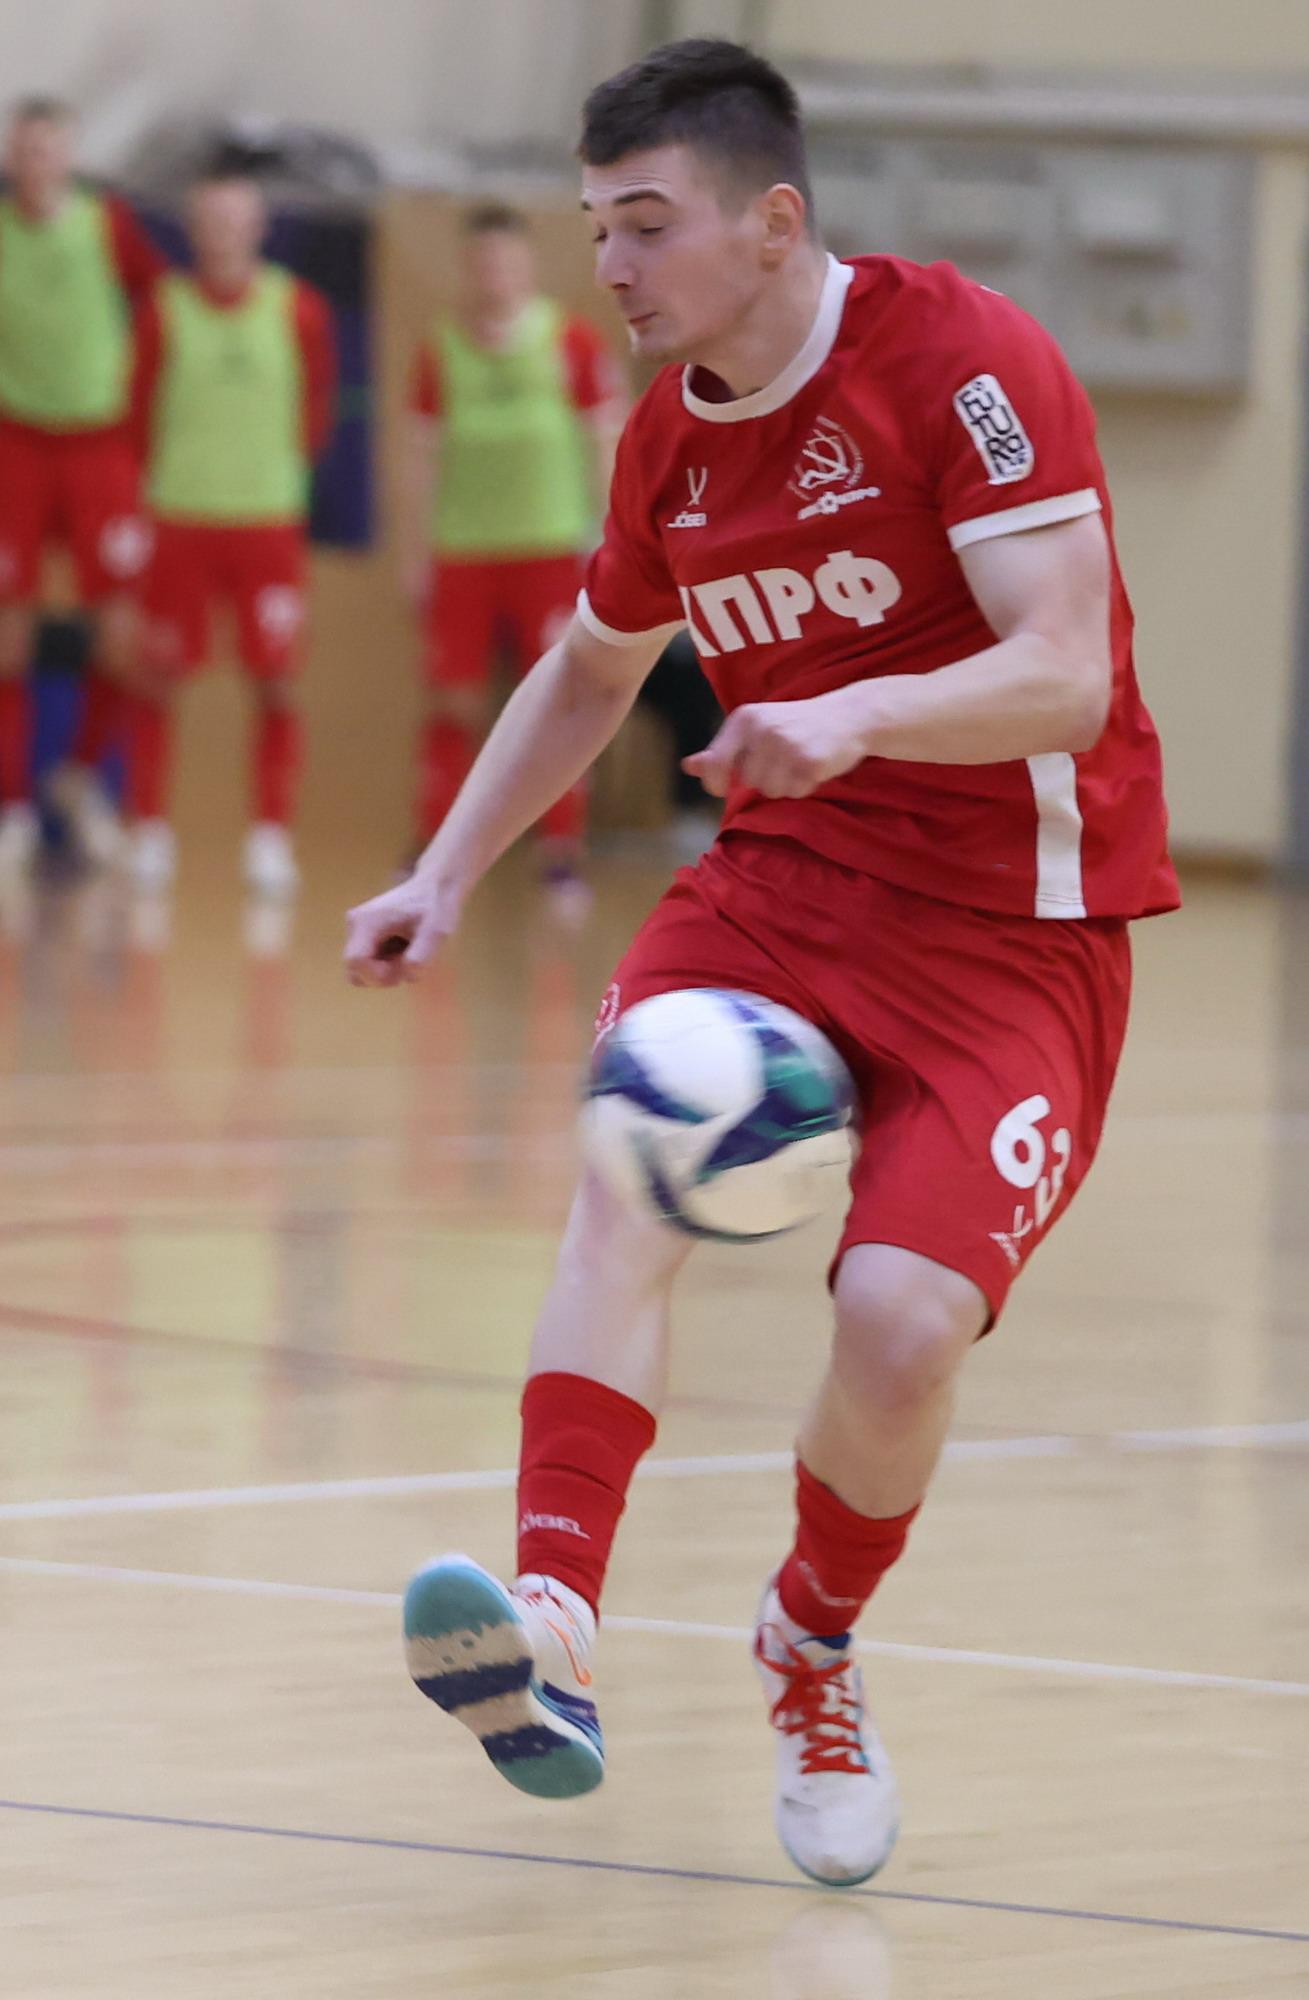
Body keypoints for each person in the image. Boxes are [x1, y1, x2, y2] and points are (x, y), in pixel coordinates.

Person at [345, 39, 1178, 1886]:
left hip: (1018, 933)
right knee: (627, 1167)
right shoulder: (670, 440)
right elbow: (590, 671)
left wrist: (857, 712)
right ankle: (552, 1624)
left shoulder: (962, 362)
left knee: (900, 1327)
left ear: (773, 222)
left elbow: (1066, 671)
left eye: (647, 225)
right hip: (784, 890)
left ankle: (809, 1643)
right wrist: (445, 870)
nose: (612, 266)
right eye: (595, 228)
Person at [401, 203, 625, 910]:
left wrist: (610, 541)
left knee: (557, 702)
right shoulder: (441, 349)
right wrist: (415, 554)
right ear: (468, 269)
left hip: (550, 548)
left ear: (526, 266)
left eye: (506, 260)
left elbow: (604, 441)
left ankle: (560, 850)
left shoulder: (570, 340)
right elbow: (418, 459)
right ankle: (436, 850)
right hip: (463, 550)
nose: (494, 274)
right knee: (454, 702)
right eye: (482, 262)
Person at [123, 167, 335, 895]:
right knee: (157, 676)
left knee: (276, 681)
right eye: (209, 220)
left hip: (265, 524)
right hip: (180, 519)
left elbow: (315, 410)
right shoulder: (164, 308)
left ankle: (270, 838)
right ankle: (149, 830)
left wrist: (274, 478)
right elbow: (136, 413)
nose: (222, 233)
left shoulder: (298, 308)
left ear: (257, 227)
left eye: (235, 219)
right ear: (192, 228)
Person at [0, 96, 164, 878]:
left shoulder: (106, 224)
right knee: (7, 636)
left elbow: (163, 306)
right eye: (24, 151)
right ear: (9, 160)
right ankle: (13, 813)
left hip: (101, 447)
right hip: (18, 448)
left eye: (49, 150)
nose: (37, 165)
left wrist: (147, 416)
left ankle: (81, 775)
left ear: (68, 158)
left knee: (123, 634)